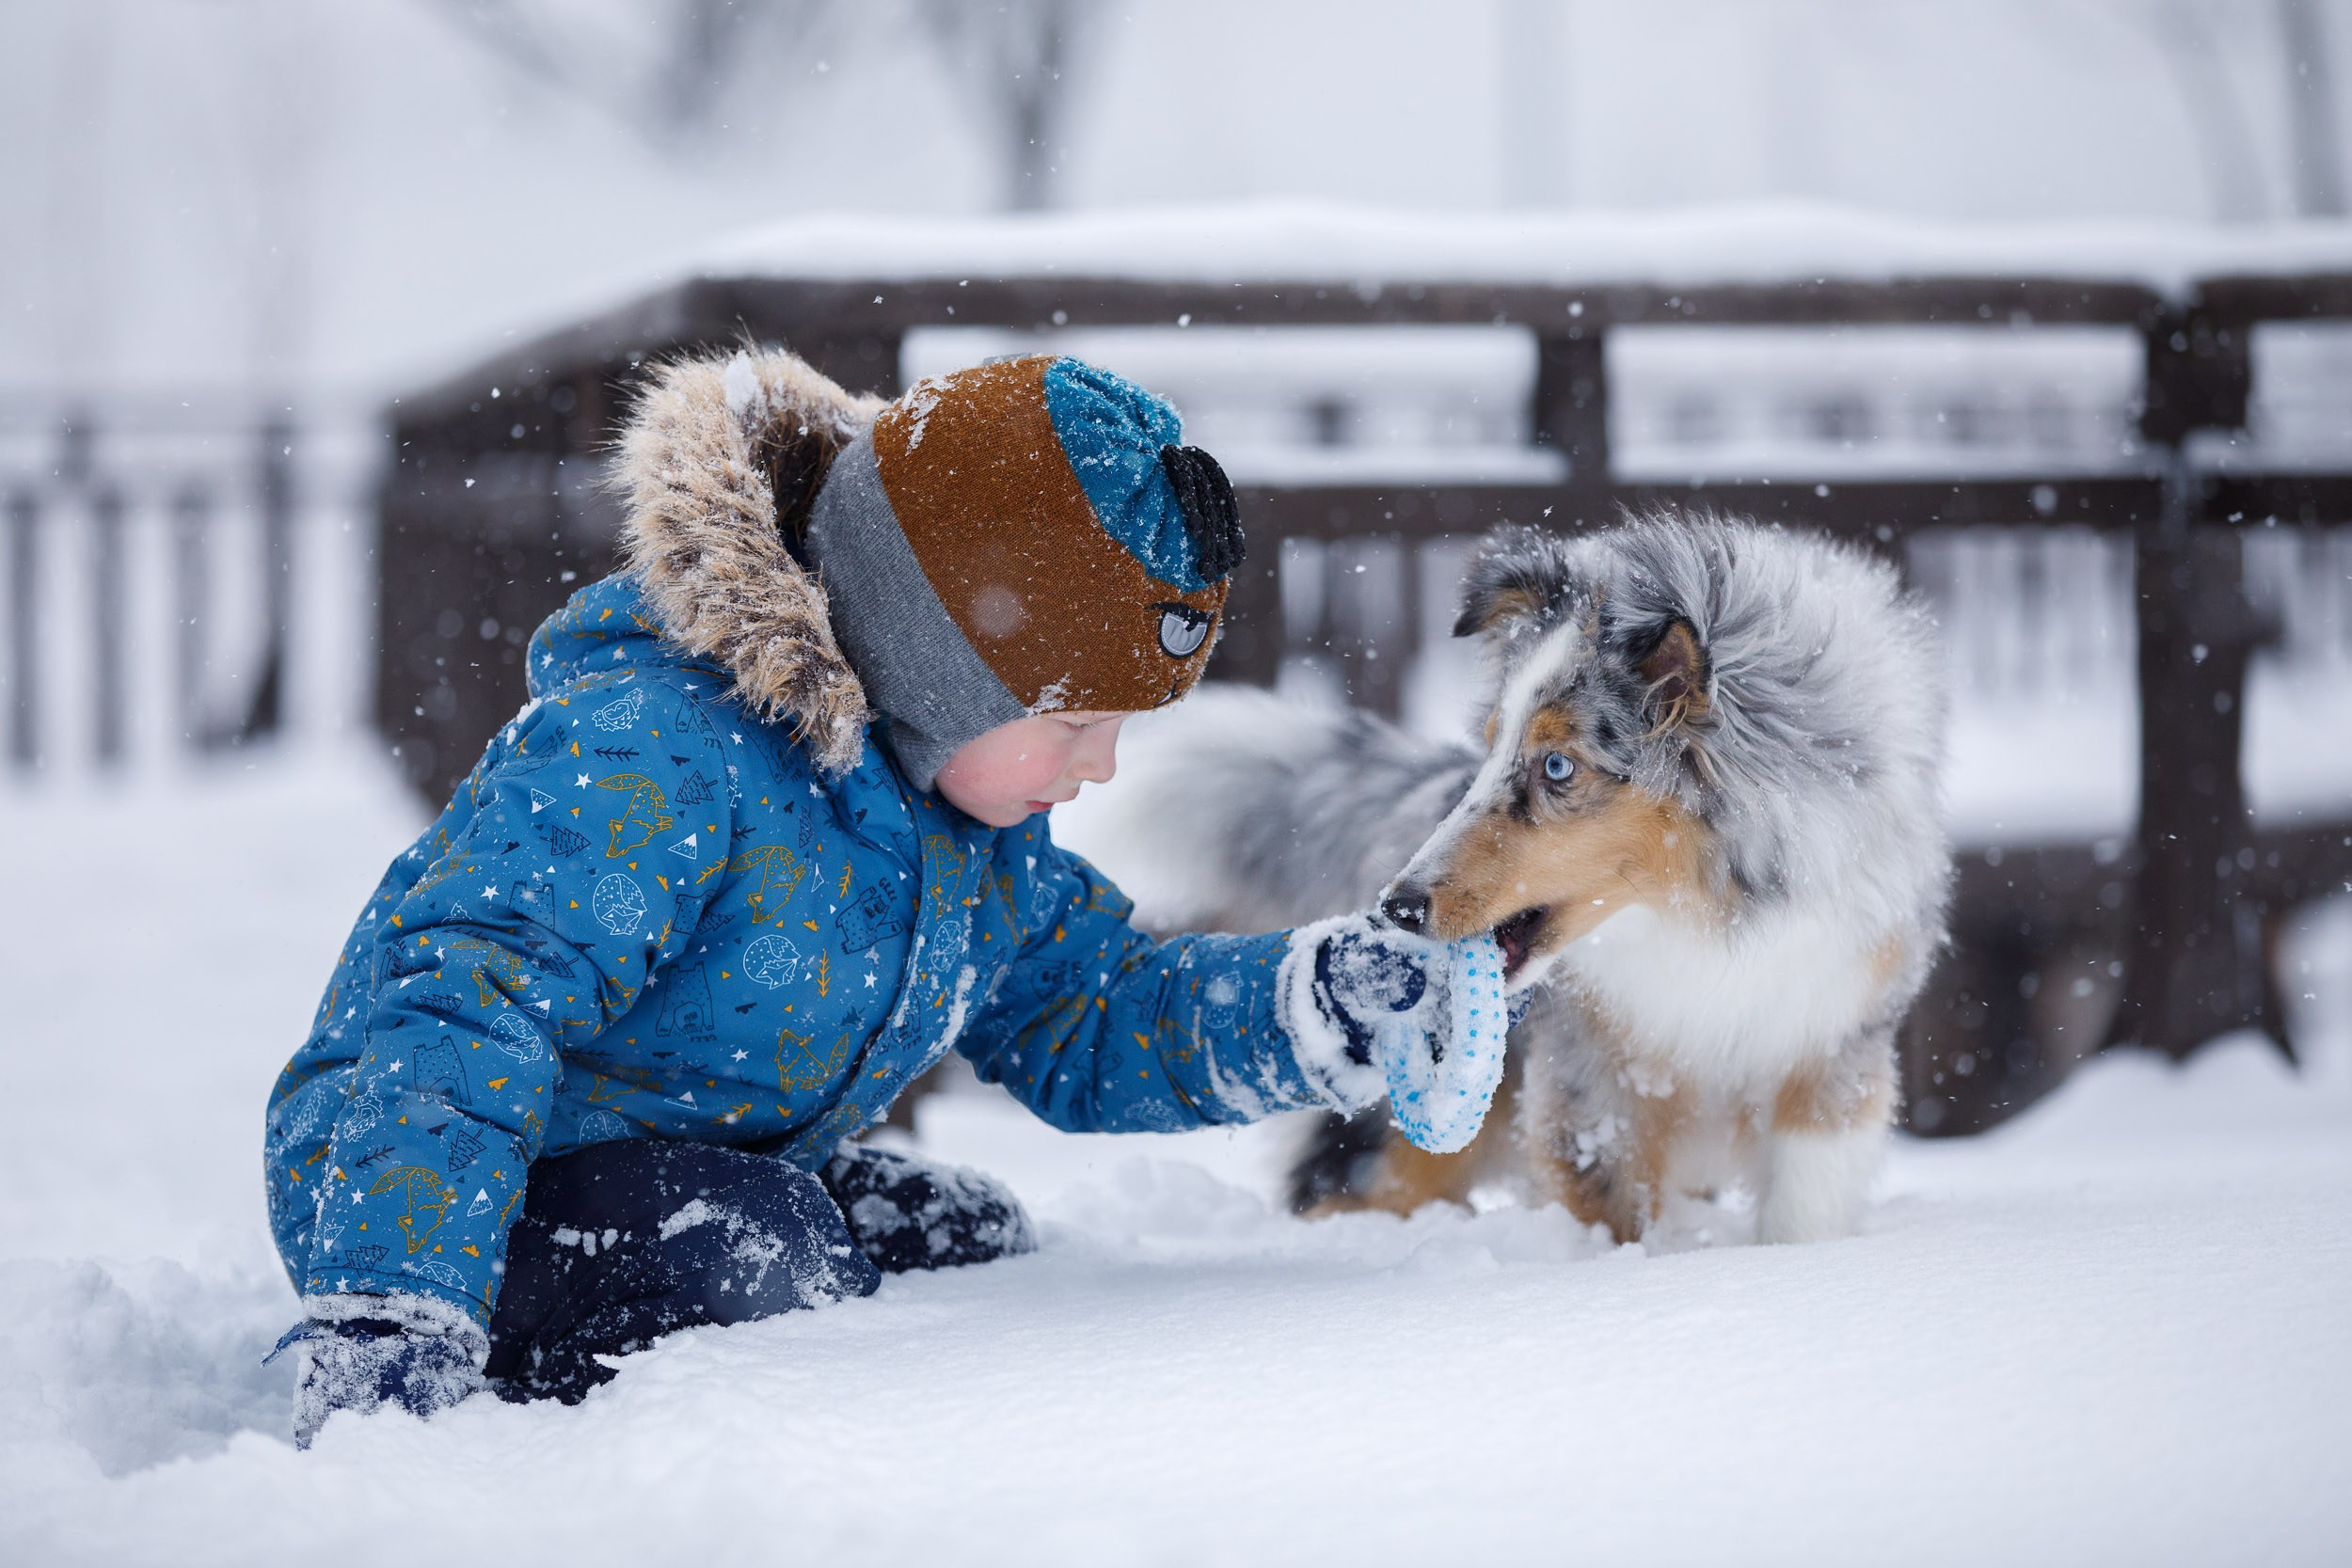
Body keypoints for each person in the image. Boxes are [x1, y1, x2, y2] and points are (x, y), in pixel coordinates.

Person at [262, 346, 1448, 1446]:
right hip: (426, 1179)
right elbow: (471, 1002)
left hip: (682, 1153)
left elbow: (1093, 1007)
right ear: (942, 661)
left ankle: (773, 1240)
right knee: (763, 1249)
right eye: (1077, 721)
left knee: (962, 1233)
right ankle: (574, 1416)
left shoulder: (968, 835)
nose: (1103, 765)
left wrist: (1318, 1007)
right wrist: (391, 1312)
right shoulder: (657, 752)